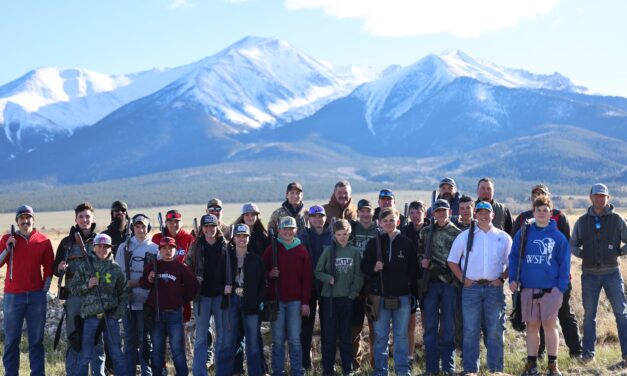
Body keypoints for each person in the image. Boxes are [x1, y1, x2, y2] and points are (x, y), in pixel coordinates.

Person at [512, 184, 582, 359]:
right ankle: (538, 354)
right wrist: (515, 277)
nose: (538, 196)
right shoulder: (523, 220)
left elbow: (563, 251)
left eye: (542, 194)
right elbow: (516, 252)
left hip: (557, 282)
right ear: (532, 201)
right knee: (534, 322)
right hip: (530, 283)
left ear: (549, 199)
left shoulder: (560, 217)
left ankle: (576, 351)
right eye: (535, 195)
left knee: (564, 315)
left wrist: (561, 284)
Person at [448, 201, 511, 374]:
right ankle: (470, 370)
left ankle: (496, 369)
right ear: (475, 214)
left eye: (487, 212)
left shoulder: (503, 237)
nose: (483, 216)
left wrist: (501, 278)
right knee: (470, 330)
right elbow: (452, 260)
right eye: (480, 213)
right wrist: (463, 279)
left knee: (495, 330)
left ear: (493, 215)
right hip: (471, 289)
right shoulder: (465, 236)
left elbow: (512, 263)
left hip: (494, 289)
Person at [510, 196, 570, 376]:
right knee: (532, 326)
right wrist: (513, 278)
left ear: (551, 213)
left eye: (545, 210)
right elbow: (514, 257)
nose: (542, 213)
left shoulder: (558, 237)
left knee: (550, 326)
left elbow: (565, 263)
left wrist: (560, 288)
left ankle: (553, 365)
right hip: (528, 288)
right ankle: (532, 364)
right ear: (533, 212)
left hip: (551, 290)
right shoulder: (524, 233)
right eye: (538, 210)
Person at [570, 183, 627, 366]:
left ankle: (626, 356)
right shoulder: (582, 221)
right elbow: (573, 244)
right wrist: (581, 254)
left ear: (607, 198)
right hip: (589, 275)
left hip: (612, 273)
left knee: (621, 314)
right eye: (597, 196)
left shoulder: (617, 219)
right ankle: (588, 355)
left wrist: (619, 252)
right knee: (589, 316)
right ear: (591, 197)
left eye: (603, 196)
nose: (600, 199)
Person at [361, 207, 417, 376]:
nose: (388, 223)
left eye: (392, 220)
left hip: (403, 297)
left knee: (401, 337)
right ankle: (380, 371)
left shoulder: (407, 244)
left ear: (398, 222)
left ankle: (402, 371)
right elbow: (364, 267)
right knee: (380, 338)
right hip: (379, 297)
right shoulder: (374, 243)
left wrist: (413, 296)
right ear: (379, 223)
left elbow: (413, 272)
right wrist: (374, 268)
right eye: (385, 221)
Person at [0, 205, 54, 376]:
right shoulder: (7, 239)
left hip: (36, 297)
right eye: (21, 218)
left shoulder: (43, 241)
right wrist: (8, 248)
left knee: (36, 341)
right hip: (13, 297)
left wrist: (43, 291)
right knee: (11, 341)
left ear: (33, 219)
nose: (25, 221)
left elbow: (49, 268)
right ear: (17, 221)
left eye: (28, 218)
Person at [53, 202, 104, 375]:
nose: (84, 220)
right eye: (81, 216)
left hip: (95, 297)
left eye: (87, 216)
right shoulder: (67, 243)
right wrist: (60, 267)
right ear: (76, 219)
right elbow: (55, 269)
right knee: (74, 339)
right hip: (74, 298)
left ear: (93, 218)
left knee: (97, 340)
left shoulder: (101, 241)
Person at [140, 236, 200, 376]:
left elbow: (194, 285)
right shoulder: (153, 265)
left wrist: (182, 299)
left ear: (175, 250)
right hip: (156, 314)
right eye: (164, 248)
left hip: (174, 314)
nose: (168, 251)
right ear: (160, 250)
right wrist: (149, 279)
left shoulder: (180, 267)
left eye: (171, 248)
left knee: (178, 350)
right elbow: (143, 284)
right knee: (157, 350)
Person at [70, 233, 128, 376]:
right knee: (85, 355)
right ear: (94, 248)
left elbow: (124, 294)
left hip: (110, 317)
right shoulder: (85, 266)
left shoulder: (116, 269)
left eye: (106, 247)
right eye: (99, 246)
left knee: (116, 354)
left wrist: (116, 315)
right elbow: (73, 288)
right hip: (90, 317)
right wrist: (87, 285)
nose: (103, 249)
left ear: (111, 248)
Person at [263, 216, 312, 376]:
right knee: (277, 340)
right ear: (279, 231)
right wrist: (270, 274)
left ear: (296, 231)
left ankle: (298, 371)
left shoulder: (301, 250)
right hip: (276, 302)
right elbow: (261, 273)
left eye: (291, 229)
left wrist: (305, 302)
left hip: (295, 303)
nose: (288, 232)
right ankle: (278, 371)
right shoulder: (272, 249)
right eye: (285, 229)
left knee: (294, 339)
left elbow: (307, 279)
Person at [215, 224, 266, 376]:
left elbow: (263, 284)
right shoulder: (226, 258)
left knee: (253, 344)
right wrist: (223, 289)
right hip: (231, 302)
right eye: (239, 236)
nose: (242, 239)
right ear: (233, 238)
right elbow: (216, 281)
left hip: (251, 304)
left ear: (249, 238)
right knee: (228, 343)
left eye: (245, 236)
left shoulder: (256, 259)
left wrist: (256, 301)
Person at [418, 199, 462, 375]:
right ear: (433, 214)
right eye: (438, 211)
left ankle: (448, 367)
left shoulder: (457, 233)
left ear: (450, 212)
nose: (441, 214)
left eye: (444, 211)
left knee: (449, 326)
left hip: (450, 284)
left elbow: (460, 260)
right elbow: (419, 254)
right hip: (430, 284)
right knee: (430, 327)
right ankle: (431, 368)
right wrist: (423, 262)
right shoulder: (425, 232)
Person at [315, 219, 363, 376]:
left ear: (349, 234)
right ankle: (328, 370)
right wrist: (327, 278)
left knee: (345, 337)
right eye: (339, 234)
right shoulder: (328, 251)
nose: (342, 237)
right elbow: (317, 271)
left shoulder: (354, 252)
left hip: (346, 299)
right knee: (329, 337)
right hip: (329, 299)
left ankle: (347, 369)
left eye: (345, 234)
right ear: (334, 235)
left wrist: (352, 294)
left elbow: (359, 276)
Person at [115, 214, 158, 376]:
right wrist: (124, 289)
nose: (140, 229)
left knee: (146, 341)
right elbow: (118, 273)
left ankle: (147, 373)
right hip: (128, 302)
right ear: (132, 228)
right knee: (130, 341)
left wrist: (138, 283)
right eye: (137, 226)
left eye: (143, 226)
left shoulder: (154, 248)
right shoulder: (123, 247)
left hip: (147, 303)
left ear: (148, 228)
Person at [185, 214, 225, 376]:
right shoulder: (196, 246)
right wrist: (194, 279)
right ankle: (199, 373)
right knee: (201, 337)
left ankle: (221, 371)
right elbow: (186, 267)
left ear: (217, 227)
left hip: (221, 297)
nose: (209, 229)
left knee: (222, 337)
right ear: (202, 228)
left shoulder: (226, 246)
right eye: (206, 226)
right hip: (202, 297)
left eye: (212, 226)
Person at [298, 204, 333, 370]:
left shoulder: (332, 235)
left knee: (328, 328)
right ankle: (305, 365)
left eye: (321, 216)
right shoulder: (303, 236)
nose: (318, 219)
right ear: (309, 219)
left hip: (328, 287)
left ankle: (328, 366)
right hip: (308, 288)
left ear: (325, 218)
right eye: (314, 217)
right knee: (306, 329)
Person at [349, 199, 379, 369]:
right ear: (358, 213)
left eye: (368, 211)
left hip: (374, 285)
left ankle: (377, 365)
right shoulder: (352, 229)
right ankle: (355, 365)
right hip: (355, 284)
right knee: (354, 328)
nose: (365, 214)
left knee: (376, 327)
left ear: (372, 213)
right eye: (362, 211)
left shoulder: (379, 230)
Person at [401, 200, 428, 366]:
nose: (416, 216)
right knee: (409, 322)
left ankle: (428, 353)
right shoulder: (403, 231)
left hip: (426, 281)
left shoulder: (431, 230)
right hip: (409, 283)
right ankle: (409, 357)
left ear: (424, 213)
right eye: (412, 213)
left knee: (428, 321)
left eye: (418, 212)